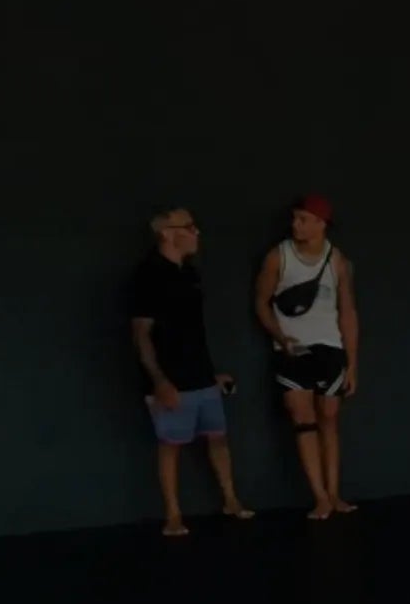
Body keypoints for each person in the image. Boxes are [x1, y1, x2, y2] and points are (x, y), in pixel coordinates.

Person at [128, 205, 254, 536]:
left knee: (219, 439)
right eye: (190, 227)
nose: (197, 233)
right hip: (170, 382)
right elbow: (141, 334)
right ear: (167, 234)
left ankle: (230, 500)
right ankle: (173, 515)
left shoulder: (190, 273)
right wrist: (160, 381)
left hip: (201, 376)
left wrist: (212, 375)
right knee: (171, 445)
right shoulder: (147, 274)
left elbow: (193, 332)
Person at [254, 193, 360, 518]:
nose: (295, 224)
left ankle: (335, 493)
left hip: (330, 348)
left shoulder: (338, 261)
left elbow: (348, 313)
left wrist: (352, 364)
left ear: (320, 224)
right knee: (302, 418)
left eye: (302, 219)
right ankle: (320, 497)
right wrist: (279, 336)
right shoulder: (278, 256)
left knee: (329, 416)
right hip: (293, 348)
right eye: (294, 218)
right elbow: (261, 302)